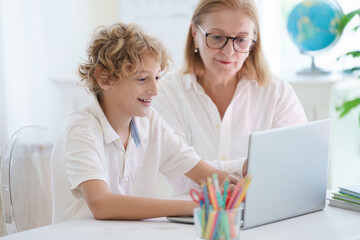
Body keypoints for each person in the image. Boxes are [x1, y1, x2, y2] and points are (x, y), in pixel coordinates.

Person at [50, 22, 239, 223]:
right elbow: (101, 204)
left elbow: (203, 172)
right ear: (104, 79)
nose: (155, 90)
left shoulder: (149, 122)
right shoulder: (83, 129)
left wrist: (236, 187)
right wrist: (195, 206)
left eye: (157, 77)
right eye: (142, 79)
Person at [152, 0, 307, 194]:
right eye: (217, 37)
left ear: (253, 41)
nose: (229, 51)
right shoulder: (166, 91)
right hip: (191, 216)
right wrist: (244, 166)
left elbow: (291, 167)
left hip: (261, 215)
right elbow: (178, 173)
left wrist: (203, 171)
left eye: (241, 39)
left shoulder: (276, 92)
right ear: (194, 34)